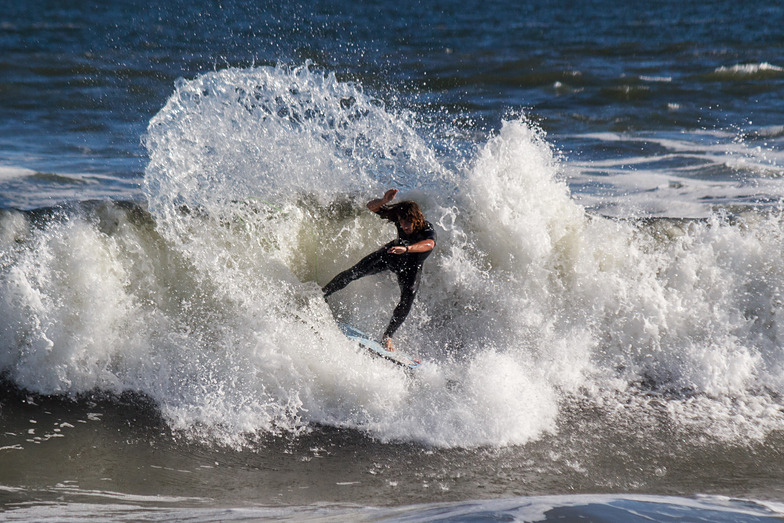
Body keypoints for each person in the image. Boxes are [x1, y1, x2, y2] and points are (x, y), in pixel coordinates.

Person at [322, 189, 436, 352]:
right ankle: (322, 294)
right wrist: (383, 200)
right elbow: (371, 207)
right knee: (354, 272)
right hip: (392, 255)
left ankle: (388, 336)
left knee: (407, 299)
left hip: (411, 266)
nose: (403, 226)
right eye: (401, 222)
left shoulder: (426, 229)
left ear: (416, 220)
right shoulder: (400, 217)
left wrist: (407, 248)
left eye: (407, 223)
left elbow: (429, 244)